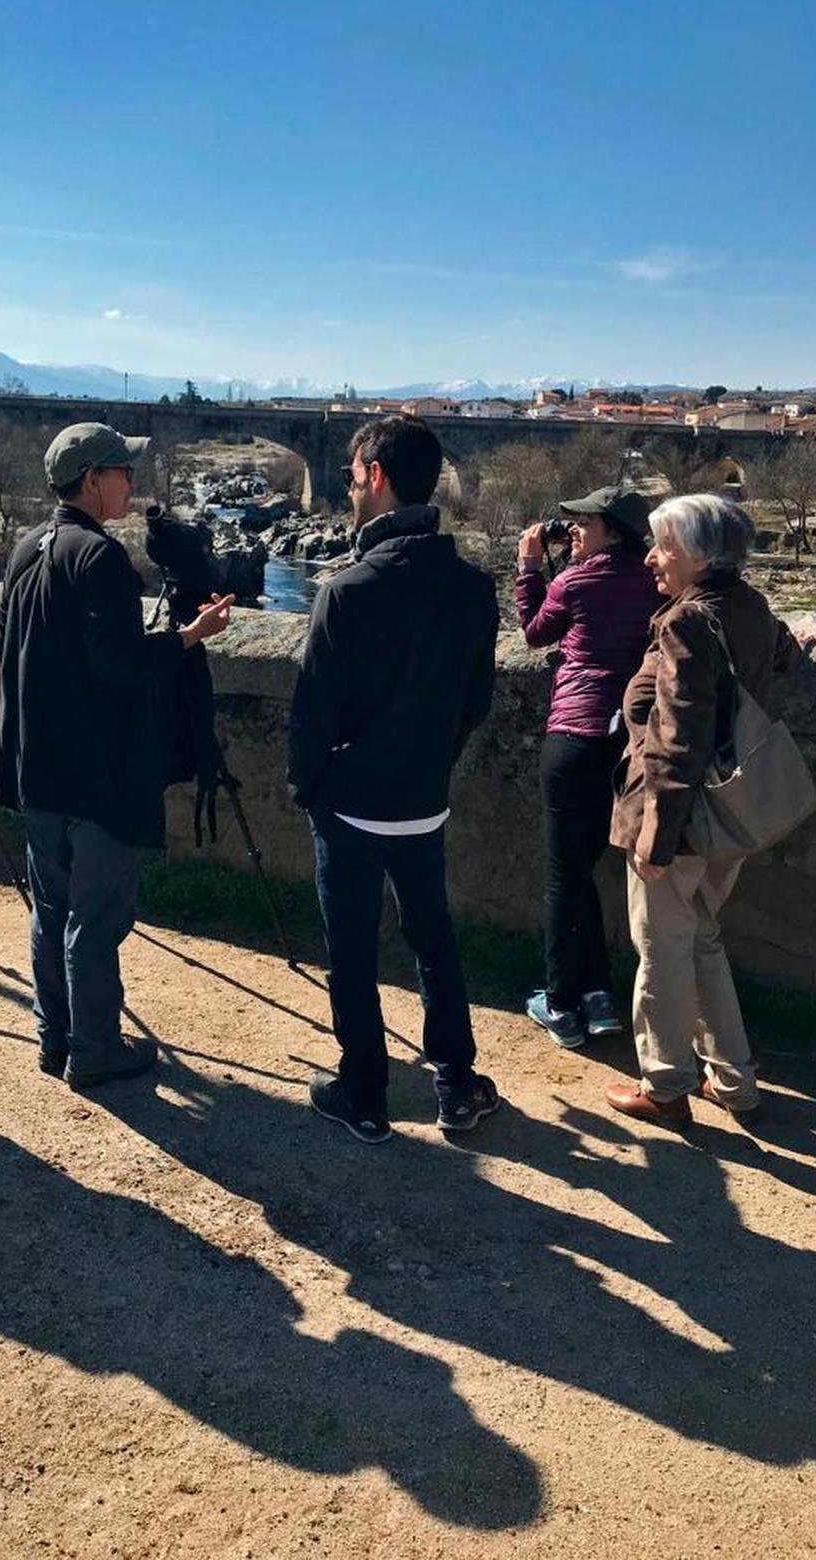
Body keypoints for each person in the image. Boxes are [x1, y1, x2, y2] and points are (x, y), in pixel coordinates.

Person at [0, 423, 232, 1091]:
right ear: (93, 481)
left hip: (34, 764)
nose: (131, 480)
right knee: (96, 915)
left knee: (52, 908)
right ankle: (94, 1049)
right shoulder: (99, 559)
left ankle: (54, 1037)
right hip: (94, 772)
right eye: (122, 470)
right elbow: (122, 666)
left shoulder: (27, 547)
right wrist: (190, 636)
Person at [288, 415, 500, 1144]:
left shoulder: (347, 591)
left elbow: (312, 713)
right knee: (432, 938)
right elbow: (476, 702)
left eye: (351, 477)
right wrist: (434, 763)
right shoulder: (474, 588)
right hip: (423, 801)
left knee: (351, 948)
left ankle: (366, 1093)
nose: (348, 489)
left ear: (375, 477)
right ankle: (455, 1084)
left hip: (352, 804)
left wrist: (309, 786)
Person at [605, 493, 811, 1129]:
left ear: (698, 554)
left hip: (683, 821)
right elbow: (781, 656)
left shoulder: (686, 622)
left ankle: (665, 1087)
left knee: (661, 949)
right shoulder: (749, 606)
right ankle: (734, 1080)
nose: (650, 559)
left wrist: (655, 838)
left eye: (663, 546)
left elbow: (677, 737)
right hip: (732, 813)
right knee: (703, 940)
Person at [515, 486, 660, 1048]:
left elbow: (532, 633)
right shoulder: (654, 580)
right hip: (627, 742)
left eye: (585, 522)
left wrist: (530, 566)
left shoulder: (575, 580)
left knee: (563, 875)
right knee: (582, 869)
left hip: (574, 734)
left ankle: (559, 1005)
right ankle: (598, 995)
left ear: (614, 530)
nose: (572, 529)